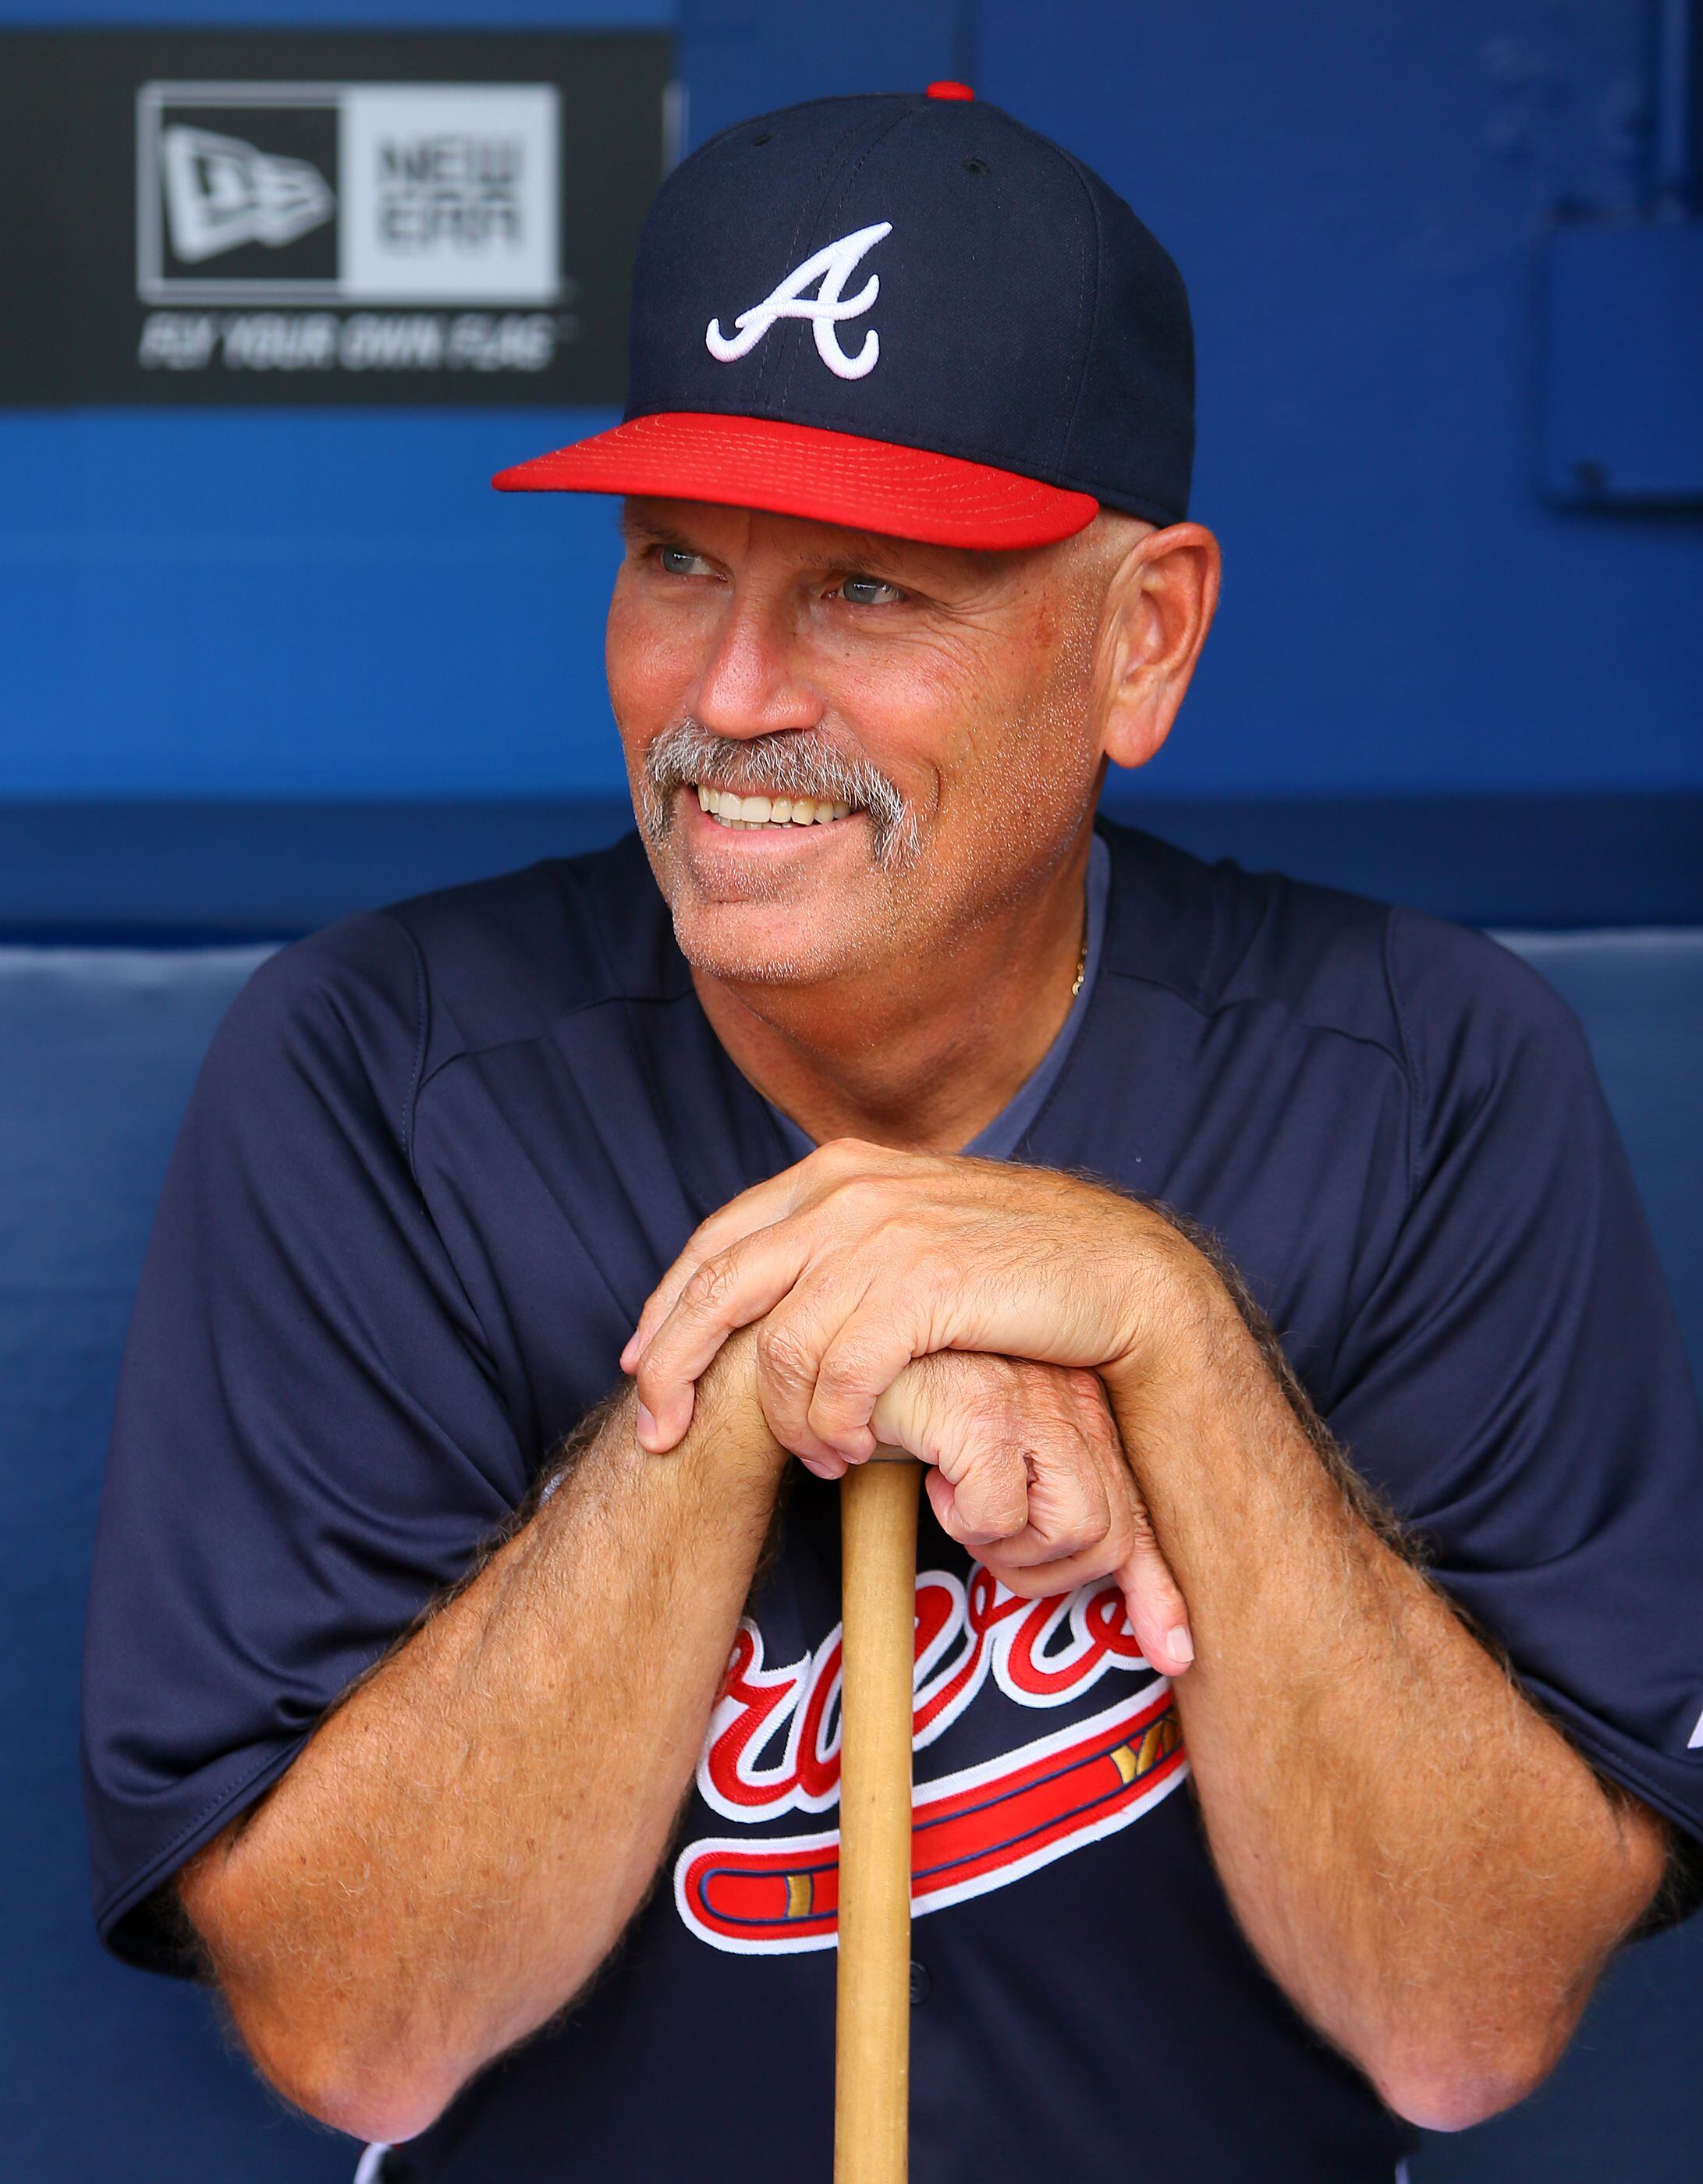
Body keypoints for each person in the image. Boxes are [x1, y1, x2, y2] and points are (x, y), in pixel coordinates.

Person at [83, 87, 1702, 2184]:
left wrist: (1172, 1338)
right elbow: (354, 2029)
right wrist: (768, 1357)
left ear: (1145, 638)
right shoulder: (387, 1067)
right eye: (677, 561)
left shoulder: (1422, 1073)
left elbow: (1465, 2023)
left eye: (867, 588)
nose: (731, 692)